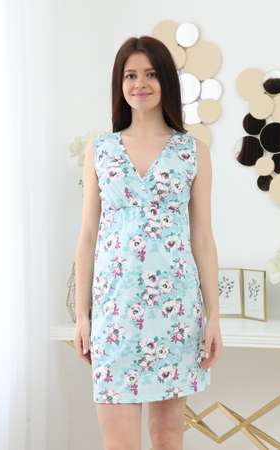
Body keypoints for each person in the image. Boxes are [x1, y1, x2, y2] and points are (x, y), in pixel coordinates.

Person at [74, 35, 223, 450]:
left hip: (174, 310)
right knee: (119, 440)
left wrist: (213, 317)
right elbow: (88, 236)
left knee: (168, 436)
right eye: (130, 75)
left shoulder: (193, 151)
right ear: (119, 84)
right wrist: (83, 316)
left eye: (151, 74)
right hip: (114, 311)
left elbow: (203, 238)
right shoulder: (100, 151)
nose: (140, 83)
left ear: (166, 82)